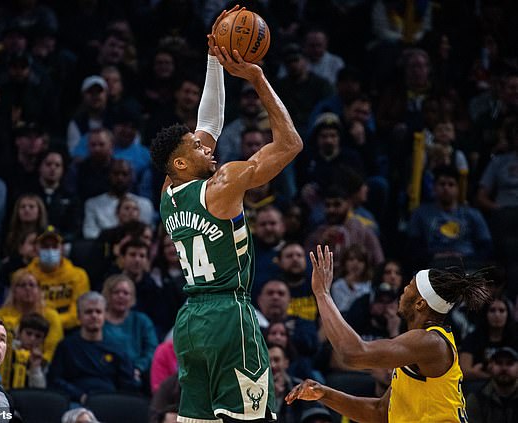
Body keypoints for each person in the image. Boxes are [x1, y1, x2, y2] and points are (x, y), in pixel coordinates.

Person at [151, 6, 303, 421]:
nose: (207, 147)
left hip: (190, 323)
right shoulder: (222, 186)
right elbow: (290, 145)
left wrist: (215, 59)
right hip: (228, 315)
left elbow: (209, 122)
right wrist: (256, 78)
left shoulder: (168, 192)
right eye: (197, 149)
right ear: (182, 163)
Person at [286, 245, 493, 423]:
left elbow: (353, 353)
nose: (403, 289)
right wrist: (324, 393)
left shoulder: (430, 341)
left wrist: (322, 294)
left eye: (410, 286)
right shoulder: (416, 347)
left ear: (420, 303)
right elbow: (379, 414)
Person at [48, 292, 139, 404]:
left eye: (98, 311)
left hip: (111, 404)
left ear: (105, 315)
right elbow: (55, 381)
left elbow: (127, 385)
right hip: (75, 403)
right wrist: (80, 396)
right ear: (79, 317)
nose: (94, 316)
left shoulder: (118, 348)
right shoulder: (66, 346)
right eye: (88, 312)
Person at [466, 347, 518, 423]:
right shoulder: (477, 398)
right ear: (490, 367)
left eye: (510, 363)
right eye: (499, 363)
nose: (504, 368)